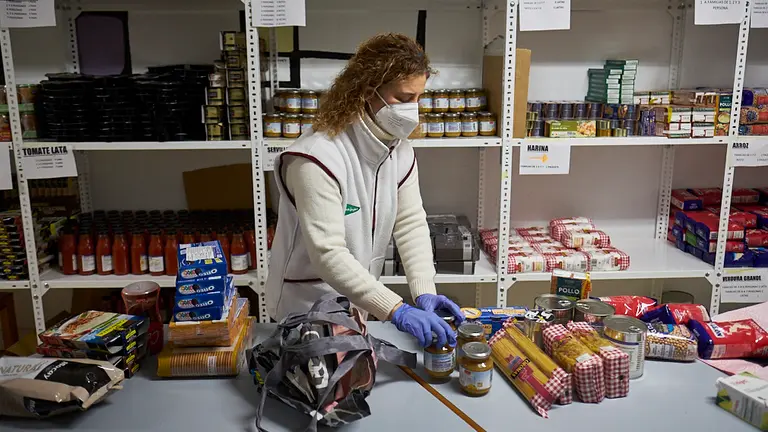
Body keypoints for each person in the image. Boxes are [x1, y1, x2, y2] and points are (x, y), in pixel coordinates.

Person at [266, 33, 464, 348]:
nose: (413, 110)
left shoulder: (398, 149)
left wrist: (424, 289)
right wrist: (396, 310)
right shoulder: (317, 158)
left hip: (357, 301)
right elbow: (329, 254)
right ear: (366, 92)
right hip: (306, 307)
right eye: (403, 98)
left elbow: (409, 221)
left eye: (418, 98)